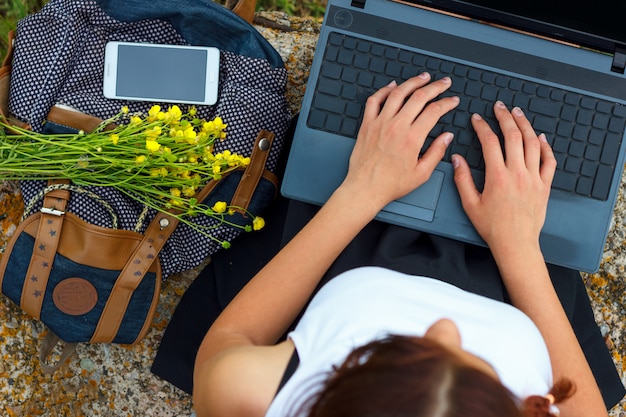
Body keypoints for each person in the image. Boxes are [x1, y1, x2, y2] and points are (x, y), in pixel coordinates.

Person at [190, 73, 613, 417]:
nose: (444, 328)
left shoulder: (250, 393)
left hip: (349, 243)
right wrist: (519, 246)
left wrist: (361, 191)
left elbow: (231, 337)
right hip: (512, 275)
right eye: (479, 366)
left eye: (409, 346)